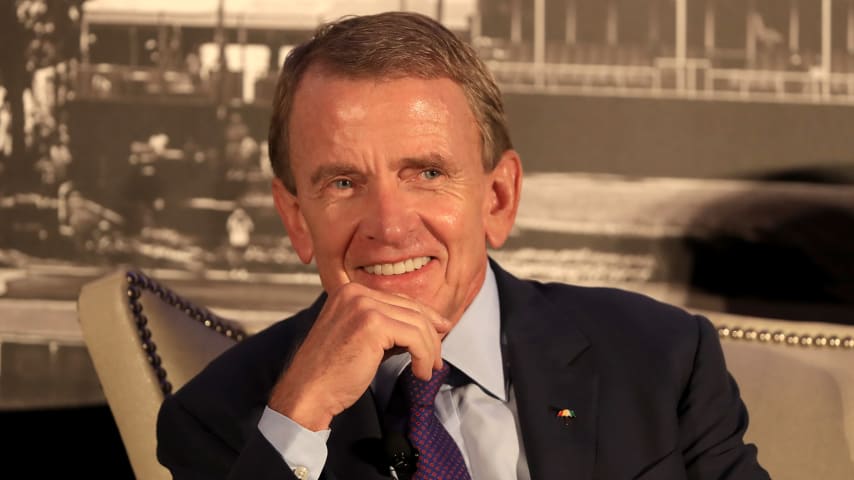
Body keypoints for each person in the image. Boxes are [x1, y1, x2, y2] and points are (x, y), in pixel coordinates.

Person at [156, 12, 769, 480]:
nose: (390, 227)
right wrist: (298, 419)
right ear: (295, 218)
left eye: (426, 173)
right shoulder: (222, 421)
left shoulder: (661, 359)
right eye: (344, 183)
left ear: (498, 198)